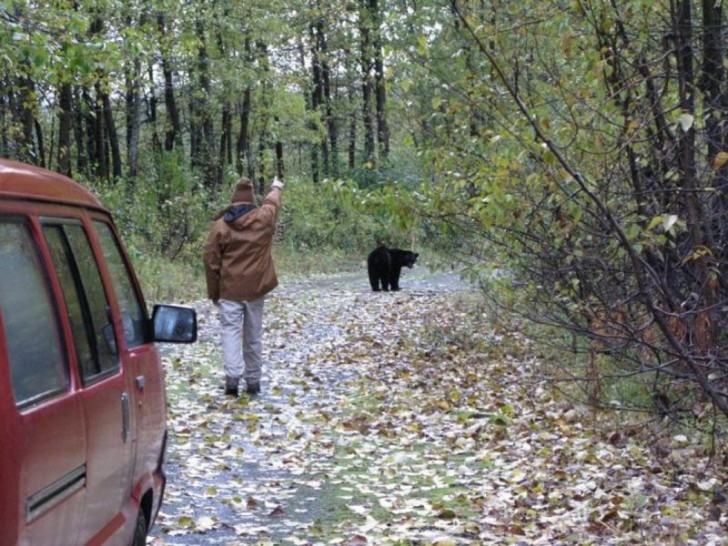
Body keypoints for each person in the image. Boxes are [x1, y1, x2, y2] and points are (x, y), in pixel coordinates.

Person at [203, 175, 284, 396]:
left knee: (230, 333)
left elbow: (211, 261)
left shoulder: (221, 226)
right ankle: (253, 381)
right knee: (253, 336)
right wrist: (276, 186)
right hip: (256, 290)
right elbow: (272, 203)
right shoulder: (263, 219)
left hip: (230, 291)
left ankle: (232, 378)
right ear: (250, 201)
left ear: (233, 201)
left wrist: (214, 293)